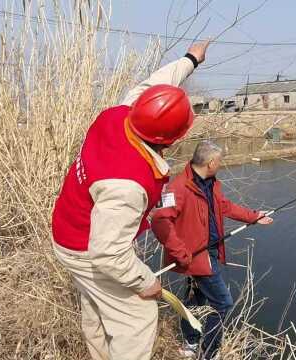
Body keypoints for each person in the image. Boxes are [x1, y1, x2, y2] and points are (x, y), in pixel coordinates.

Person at [51, 41, 210, 360]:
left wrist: (190, 59)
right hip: (86, 247)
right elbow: (107, 252)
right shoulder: (128, 183)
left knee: (99, 302)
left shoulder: (121, 114)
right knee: (138, 315)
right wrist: (144, 281)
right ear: (173, 138)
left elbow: (156, 83)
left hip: (70, 228)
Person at [152, 141, 274, 360]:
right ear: (210, 163)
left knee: (195, 300)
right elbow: (160, 221)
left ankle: (190, 344)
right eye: (219, 161)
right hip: (197, 259)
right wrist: (180, 253)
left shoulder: (211, 183)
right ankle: (209, 351)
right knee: (223, 302)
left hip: (213, 253)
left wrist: (255, 216)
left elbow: (225, 206)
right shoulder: (177, 187)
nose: (220, 164)